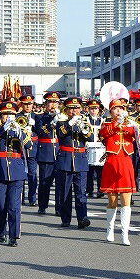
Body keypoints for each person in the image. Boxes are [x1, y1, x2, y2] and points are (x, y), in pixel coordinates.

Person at [99, 98, 140, 245]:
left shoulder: (129, 122)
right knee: (112, 201)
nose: (119, 111)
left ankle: (125, 234)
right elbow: (104, 134)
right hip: (112, 162)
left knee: (126, 200)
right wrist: (117, 122)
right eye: (116, 109)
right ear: (110, 111)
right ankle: (110, 230)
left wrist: (136, 126)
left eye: (121, 108)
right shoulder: (107, 123)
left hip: (126, 162)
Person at [0, 101, 32, 247]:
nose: (9, 117)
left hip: (16, 170)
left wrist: (20, 132)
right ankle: (2, 231)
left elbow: (29, 145)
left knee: (14, 206)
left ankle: (13, 236)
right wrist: (3, 129)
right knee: (0, 205)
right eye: (6, 114)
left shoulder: (22, 130)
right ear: (1, 116)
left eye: (12, 114)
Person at [55, 97, 92, 229]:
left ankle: (83, 218)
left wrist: (84, 129)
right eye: (71, 108)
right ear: (67, 109)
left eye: (77, 108)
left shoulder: (85, 120)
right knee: (65, 191)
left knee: (81, 191)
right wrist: (70, 123)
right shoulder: (61, 121)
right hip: (65, 158)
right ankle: (66, 219)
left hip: (80, 158)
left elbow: (91, 137)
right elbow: (60, 134)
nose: (75, 110)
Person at [36, 91, 62, 215]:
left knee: (60, 183)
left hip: (60, 152)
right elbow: (41, 131)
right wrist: (52, 123)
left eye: (56, 102)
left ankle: (59, 207)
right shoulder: (40, 117)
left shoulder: (63, 117)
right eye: (50, 102)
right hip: (45, 152)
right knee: (44, 182)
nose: (53, 105)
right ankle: (42, 205)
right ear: (45, 104)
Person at [17, 95, 39, 206]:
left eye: (30, 104)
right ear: (21, 104)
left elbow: (41, 131)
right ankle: (20, 198)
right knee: (20, 175)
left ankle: (32, 198)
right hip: (20, 149)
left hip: (32, 148)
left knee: (32, 174)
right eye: (26, 104)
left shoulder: (37, 116)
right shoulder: (17, 116)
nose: (28, 106)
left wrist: (35, 125)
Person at [86, 99, 104, 198]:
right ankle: (89, 190)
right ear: (88, 109)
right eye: (91, 109)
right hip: (88, 146)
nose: (93, 111)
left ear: (99, 110)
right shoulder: (85, 119)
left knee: (100, 171)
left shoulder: (102, 120)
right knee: (89, 171)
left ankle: (100, 190)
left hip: (100, 148)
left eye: (95, 109)